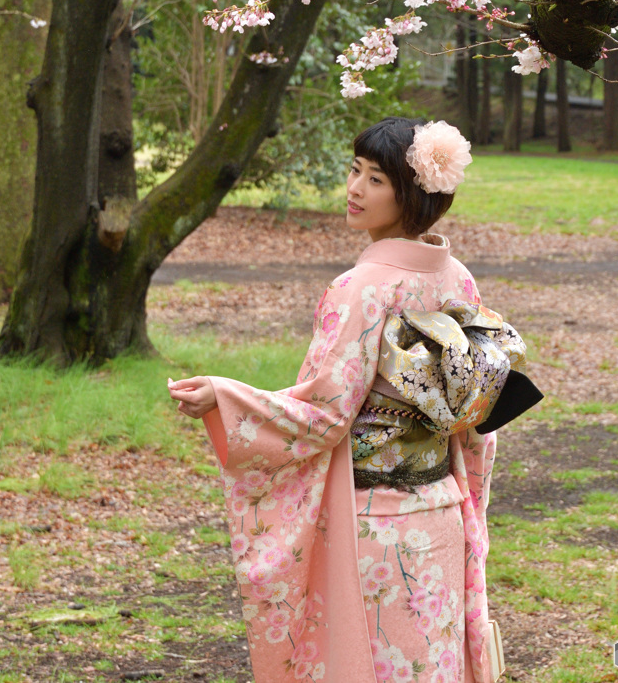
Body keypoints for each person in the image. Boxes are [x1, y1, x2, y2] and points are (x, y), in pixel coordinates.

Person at [168, 117, 540, 683]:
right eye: (354, 171)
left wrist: (228, 399)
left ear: (412, 193)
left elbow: (323, 415)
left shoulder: (361, 288)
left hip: (373, 524)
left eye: (376, 180)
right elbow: (476, 415)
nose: (355, 189)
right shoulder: (457, 279)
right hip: (440, 512)